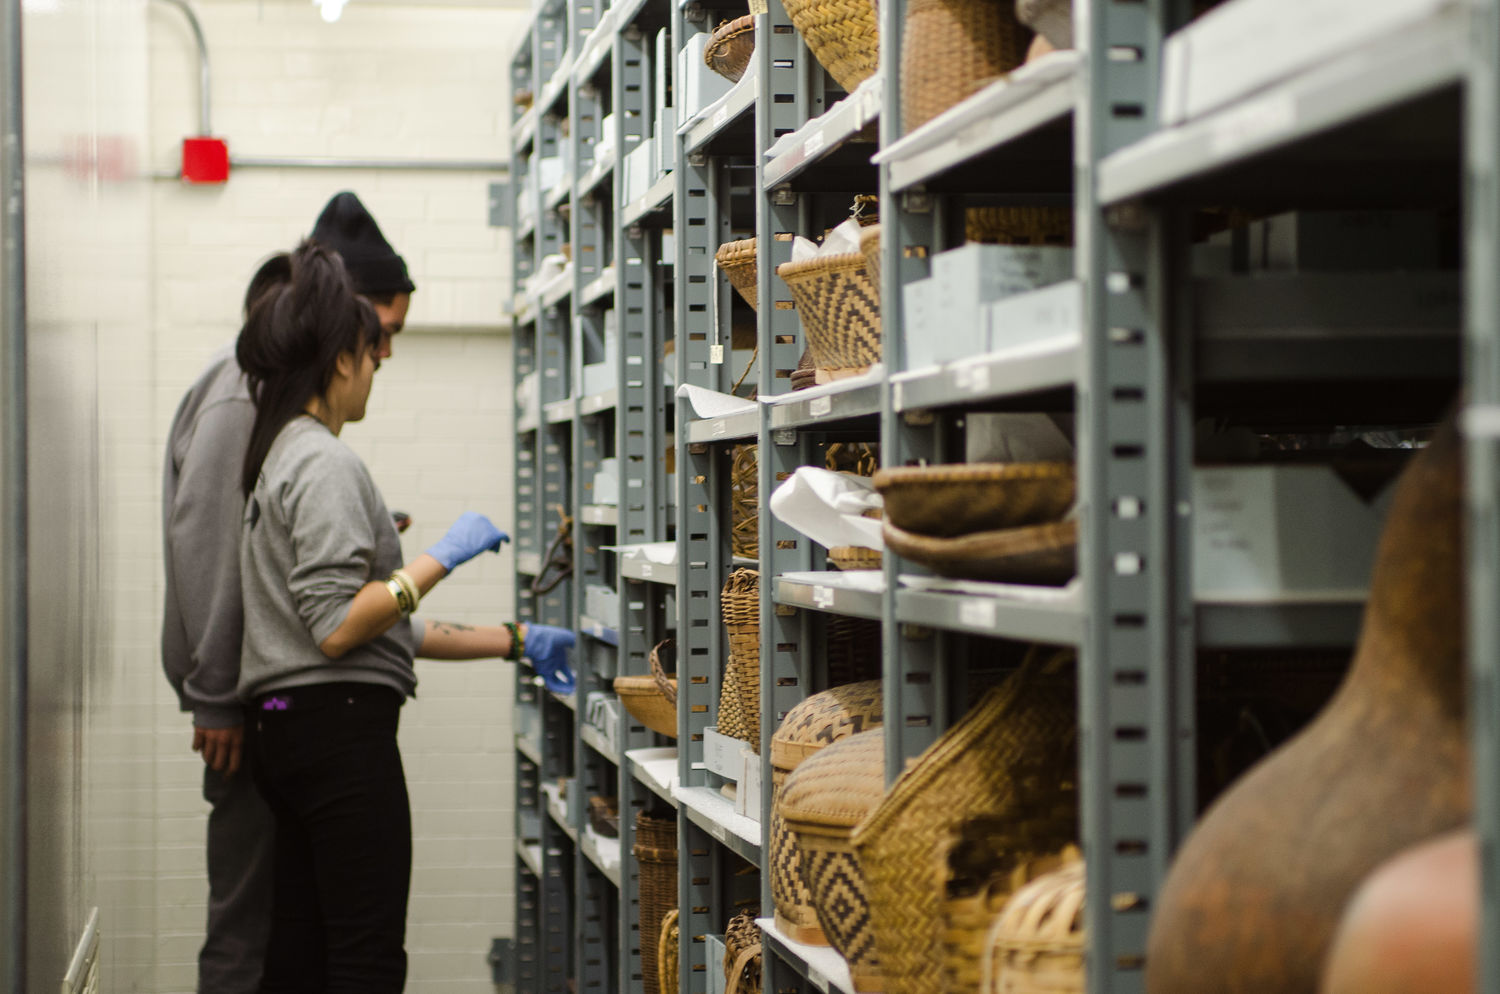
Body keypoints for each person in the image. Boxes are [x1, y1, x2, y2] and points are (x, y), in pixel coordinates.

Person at [234, 240, 574, 993]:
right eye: (369, 352)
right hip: (338, 733)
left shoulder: (278, 455)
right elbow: (337, 628)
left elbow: (376, 632)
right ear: (339, 358)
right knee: (365, 955)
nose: (377, 368)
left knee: (302, 945)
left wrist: (514, 641)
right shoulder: (321, 461)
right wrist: (441, 558)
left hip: (290, 726)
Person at [159, 190, 416, 994]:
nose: (385, 357)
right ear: (341, 325)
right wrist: (214, 698)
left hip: (251, 693)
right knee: (250, 927)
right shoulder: (249, 394)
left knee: (290, 933)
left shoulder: (279, 411)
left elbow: (254, 533)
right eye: (384, 336)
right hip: (244, 699)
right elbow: (205, 538)